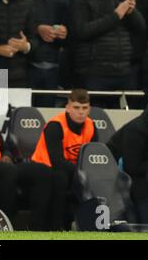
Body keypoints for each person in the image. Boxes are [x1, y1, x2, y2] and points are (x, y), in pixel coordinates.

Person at [70, 0, 146, 108]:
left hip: (123, 71)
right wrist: (116, 15)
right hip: (94, 72)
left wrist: (131, 13)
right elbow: (82, 31)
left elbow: (141, 28)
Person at [30, 88, 98, 229]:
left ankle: (91, 224)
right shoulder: (56, 125)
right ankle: (56, 226)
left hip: (71, 168)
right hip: (43, 166)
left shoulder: (91, 126)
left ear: (89, 109)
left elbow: (92, 156)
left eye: (84, 108)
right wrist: (81, 172)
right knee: (60, 177)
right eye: (76, 107)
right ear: (68, 107)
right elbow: (56, 161)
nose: (81, 112)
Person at [20, 0, 69, 107]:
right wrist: (37, 29)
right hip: (25, 66)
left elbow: (70, 34)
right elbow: (11, 25)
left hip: (52, 67)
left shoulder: (61, 0)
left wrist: (64, 33)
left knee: (47, 112)